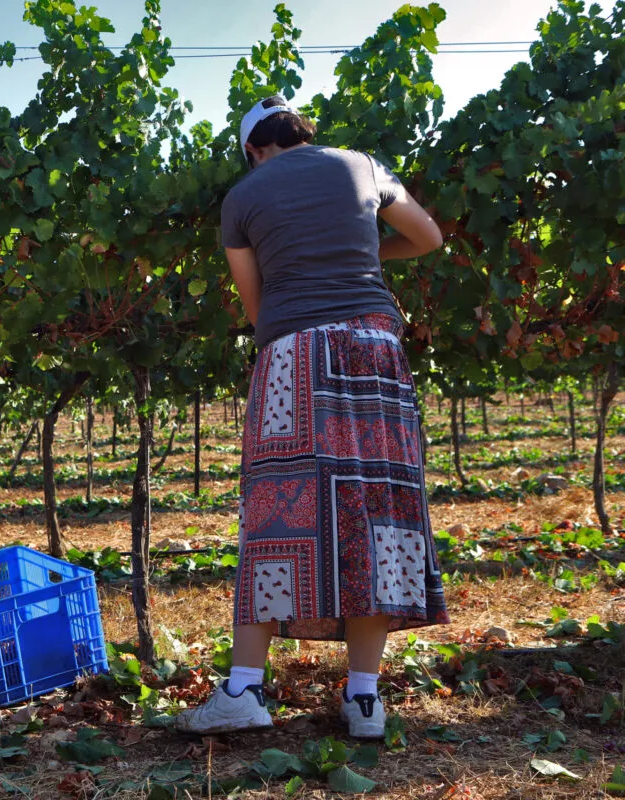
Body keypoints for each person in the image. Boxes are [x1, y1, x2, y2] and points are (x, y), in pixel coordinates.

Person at [175, 95, 449, 739]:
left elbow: (255, 304)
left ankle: (244, 689)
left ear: (253, 148)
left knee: (279, 513)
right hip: (376, 348)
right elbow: (429, 237)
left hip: (295, 354)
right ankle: (364, 702)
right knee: (379, 512)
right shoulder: (363, 165)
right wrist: (360, 257)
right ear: (304, 131)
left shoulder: (243, 197)